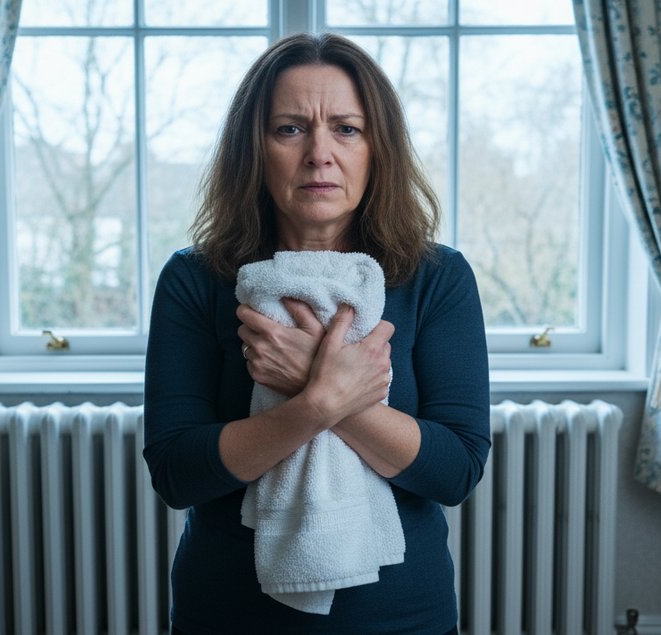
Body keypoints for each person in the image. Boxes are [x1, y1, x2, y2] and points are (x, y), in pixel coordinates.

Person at [143, 32, 490, 634]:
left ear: (378, 149)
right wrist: (321, 401)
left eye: (347, 129)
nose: (319, 154)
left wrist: (312, 380)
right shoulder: (196, 279)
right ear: (253, 150)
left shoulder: (437, 277)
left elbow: (454, 470)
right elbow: (177, 473)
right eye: (290, 129)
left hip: (401, 615)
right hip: (229, 612)